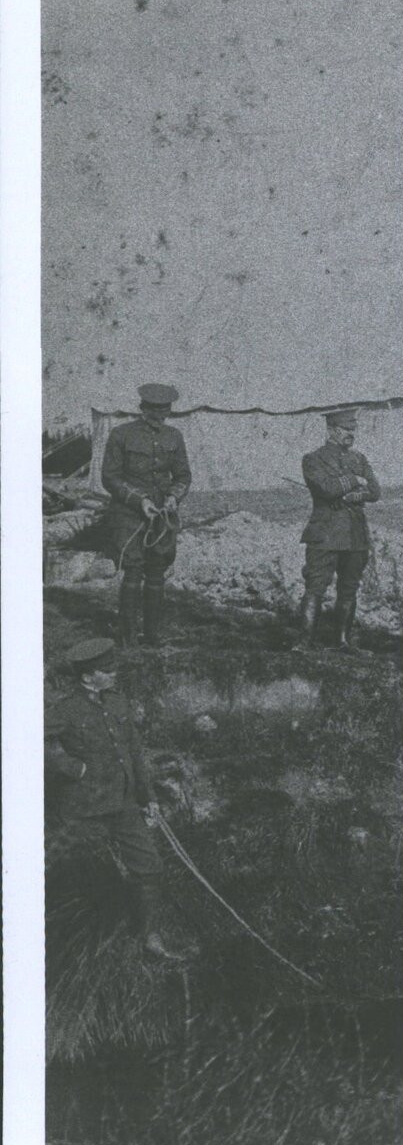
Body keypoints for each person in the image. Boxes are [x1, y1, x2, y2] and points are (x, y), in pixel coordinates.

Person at [44, 637, 184, 959]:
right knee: (55, 868)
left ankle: (149, 937)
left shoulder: (118, 703)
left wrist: (147, 796)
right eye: (106, 670)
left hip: (123, 803)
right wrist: (70, 767)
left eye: (113, 668)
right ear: (87, 676)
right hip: (83, 808)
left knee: (150, 867)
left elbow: (134, 753)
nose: (114, 674)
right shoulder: (67, 709)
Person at [99, 382, 191, 645]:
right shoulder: (121, 434)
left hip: (161, 515)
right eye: (154, 409)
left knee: (156, 570)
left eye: (165, 410)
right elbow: (110, 478)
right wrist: (139, 501)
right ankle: (127, 635)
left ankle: (153, 634)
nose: (160, 414)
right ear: (142, 408)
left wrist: (174, 496)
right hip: (128, 514)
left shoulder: (174, 436)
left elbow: (183, 475)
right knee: (133, 568)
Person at [297, 408, 380, 650]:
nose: (350, 434)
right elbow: (326, 489)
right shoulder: (313, 459)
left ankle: (342, 641)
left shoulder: (359, 459)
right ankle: (304, 641)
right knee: (315, 586)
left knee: (349, 587)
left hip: (355, 535)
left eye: (353, 430)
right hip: (325, 534)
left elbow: (375, 492)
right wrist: (356, 480)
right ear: (332, 430)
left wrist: (348, 495)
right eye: (345, 430)